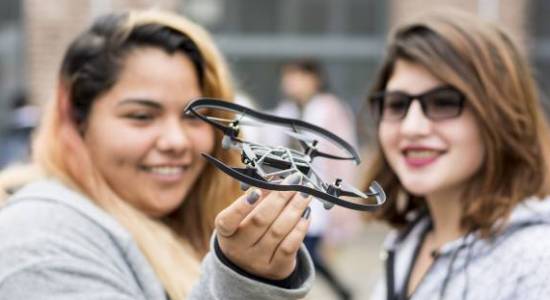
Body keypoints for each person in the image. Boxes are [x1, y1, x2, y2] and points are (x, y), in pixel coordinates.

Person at [0, 10, 314, 299]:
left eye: (195, 118)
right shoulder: (41, 237)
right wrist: (241, 281)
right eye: (141, 116)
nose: (176, 141)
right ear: (77, 119)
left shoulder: (181, 221)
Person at [363, 9, 550, 300]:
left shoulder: (537, 261)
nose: (412, 127)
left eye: (443, 102)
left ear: (499, 114)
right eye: (397, 104)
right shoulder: (406, 243)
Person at [270, 59, 357, 300]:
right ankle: (341, 291)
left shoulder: (329, 110)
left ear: (314, 79)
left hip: (320, 199)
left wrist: (341, 203)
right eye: (288, 77)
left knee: (303, 251)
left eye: (298, 76)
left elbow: (343, 161)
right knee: (301, 252)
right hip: (291, 194)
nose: (291, 83)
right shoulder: (284, 111)